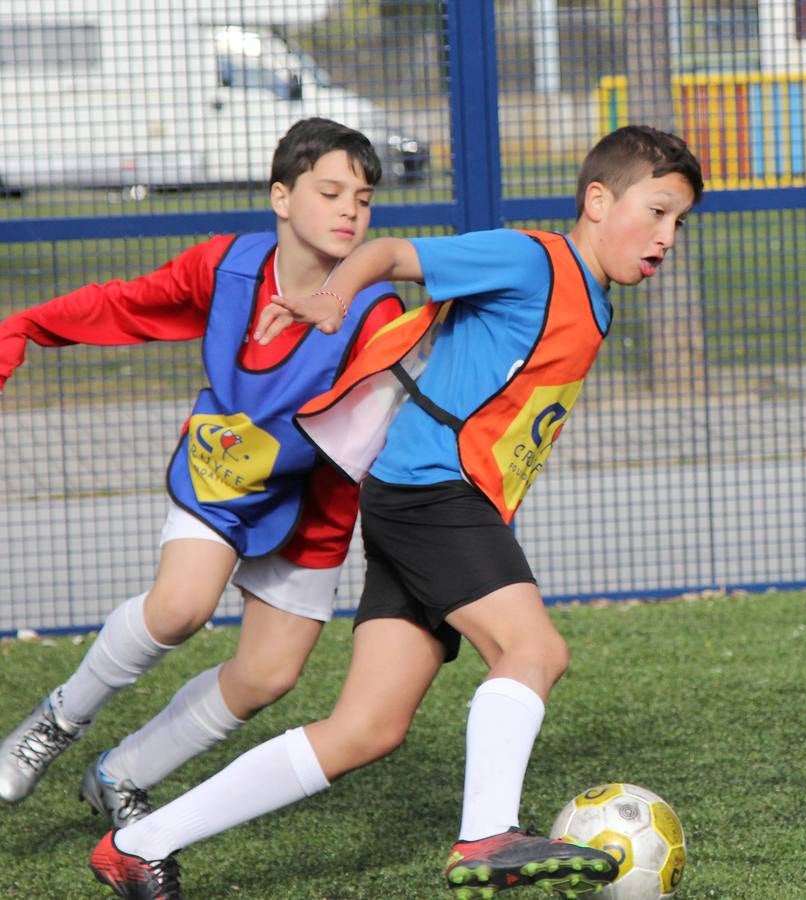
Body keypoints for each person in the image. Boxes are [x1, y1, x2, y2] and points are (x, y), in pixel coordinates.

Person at [87, 124, 704, 900]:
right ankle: (486, 836)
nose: (667, 237)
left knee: (366, 730)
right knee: (534, 651)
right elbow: (391, 255)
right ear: (597, 199)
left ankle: (138, 845)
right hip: (431, 495)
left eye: (679, 222)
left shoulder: (597, 300)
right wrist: (334, 298)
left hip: (428, 502)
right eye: (656, 212)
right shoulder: (533, 258)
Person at [0, 118, 404, 831]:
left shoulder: (375, 310)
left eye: (364, 199)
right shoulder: (228, 266)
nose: (350, 210)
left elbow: (378, 443)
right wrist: (29, 325)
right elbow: (129, 303)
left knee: (267, 677)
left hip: (314, 502)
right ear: (281, 197)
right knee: (181, 606)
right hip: (223, 471)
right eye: (331, 191)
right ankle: (53, 726)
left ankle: (120, 774)